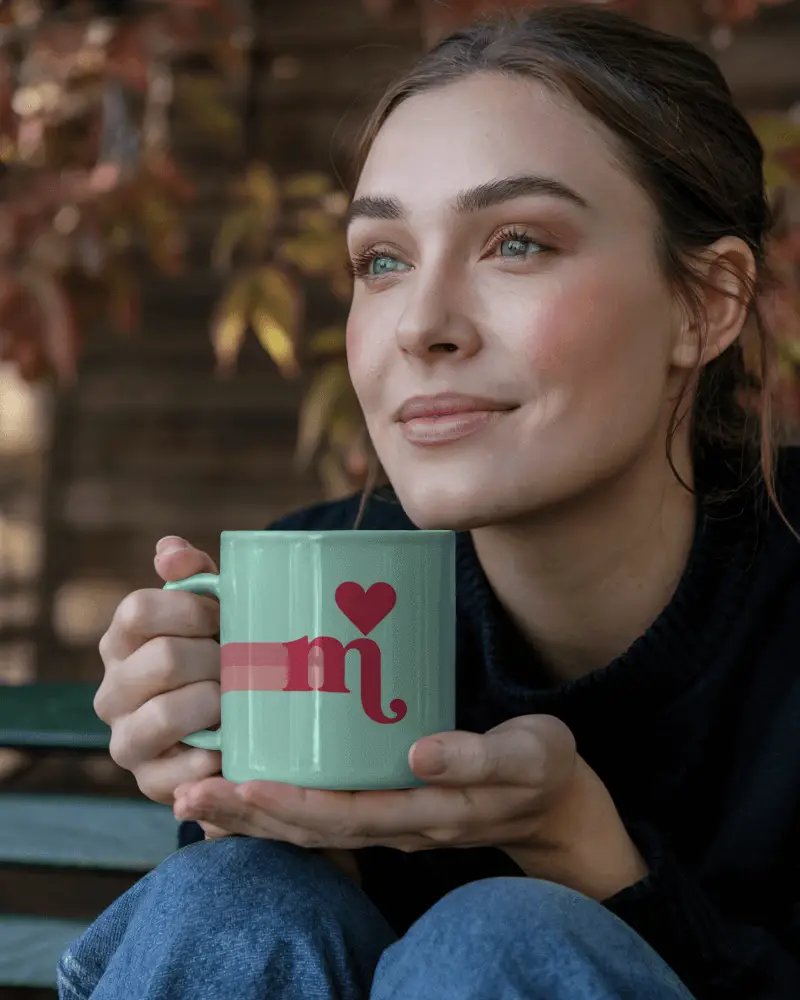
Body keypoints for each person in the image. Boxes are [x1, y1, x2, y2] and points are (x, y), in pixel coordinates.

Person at [57, 5, 800, 999]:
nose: (421, 325)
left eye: (518, 243)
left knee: (503, 934)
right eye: (382, 260)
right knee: (231, 894)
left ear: (702, 301)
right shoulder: (307, 579)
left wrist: (582, 849)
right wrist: (240, 796)